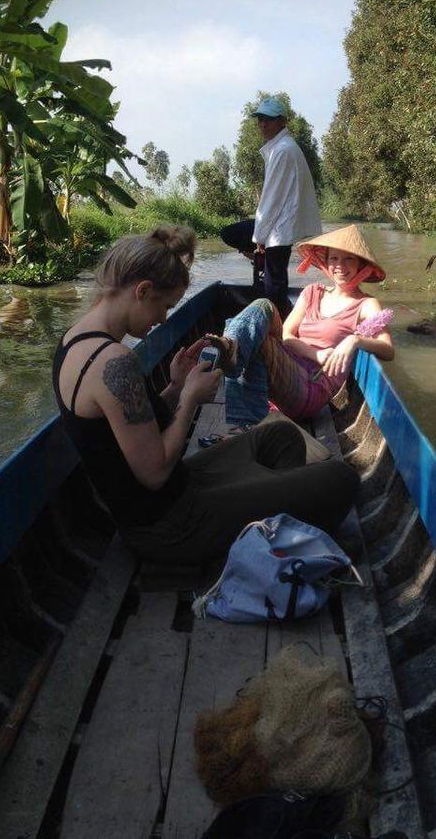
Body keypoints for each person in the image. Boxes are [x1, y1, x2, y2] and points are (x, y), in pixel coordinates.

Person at [52, 225, 359, 565]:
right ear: (142, 291)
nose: (162, 319)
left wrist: (176, 388)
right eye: (165, 306)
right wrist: (191, 401)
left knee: (281, 434)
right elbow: (153, 473)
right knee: (340, 478)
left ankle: (267, 506)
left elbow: (128, 430)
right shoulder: (114, 362)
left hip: (176, 491)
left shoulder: (73, 341)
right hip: (169, 526)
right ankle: (269, 514)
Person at [207, 224, 394, 427]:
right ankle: (233, 347)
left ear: (361, 265)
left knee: (260, 345)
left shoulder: (366, 304)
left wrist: (354, 340)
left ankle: (243, 417)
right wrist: (315, 354)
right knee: (263, 305)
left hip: (312, 385)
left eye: (349, 258)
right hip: (290, 363)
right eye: (334, 258)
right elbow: (287, 334)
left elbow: (388, 350)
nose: (340, 265)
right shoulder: (313, 292)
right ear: (326, 262)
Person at [222, 97, 322, 318]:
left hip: (278, 227)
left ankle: (276, 322)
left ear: (282, 122)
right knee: (272, 276)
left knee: (273, 284)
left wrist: (260, 237)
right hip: (279, 225)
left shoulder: (283, 150)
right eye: (260, 120)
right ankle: (279, 310)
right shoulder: (281, 147)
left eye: (268, 120)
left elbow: (272, 197)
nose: (263, 125)